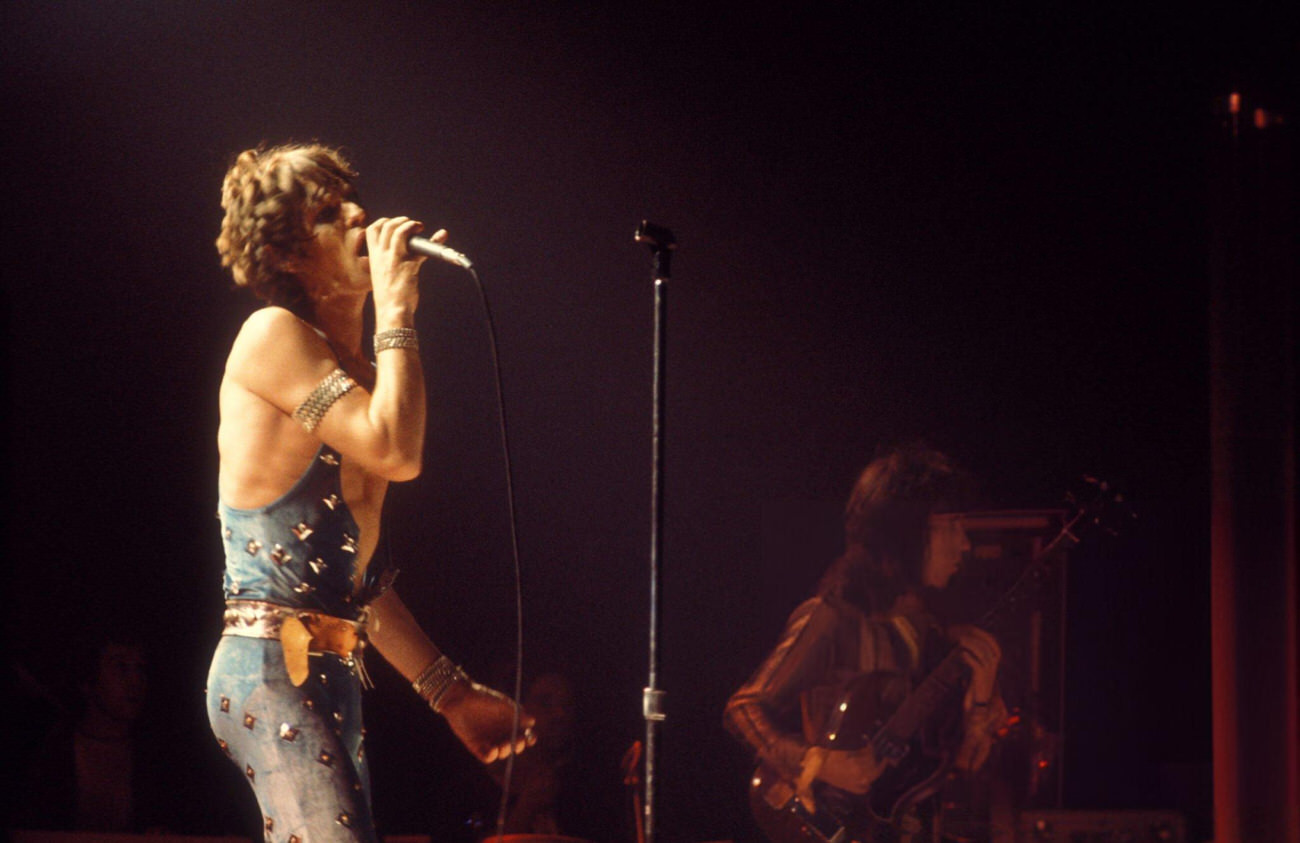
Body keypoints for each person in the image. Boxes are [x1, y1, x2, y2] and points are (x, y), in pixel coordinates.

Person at [206, 143, 533, 843]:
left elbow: (356, 579)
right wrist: (398, 309)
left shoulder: (355, 374)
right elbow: (397, 450)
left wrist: (449, 691)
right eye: (329, 214)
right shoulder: (272, 335)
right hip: (268, 665)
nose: (359, 214)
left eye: (352, 199)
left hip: (326, 670)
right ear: (287, 255)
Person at [724, 444, 1007, 842]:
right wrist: (817, 762)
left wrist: (981, 699)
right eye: (952, 525)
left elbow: (964, 769)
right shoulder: (831, 619)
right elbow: (743, 709)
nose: (965, 544)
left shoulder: (928, 632)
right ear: (909, 532)